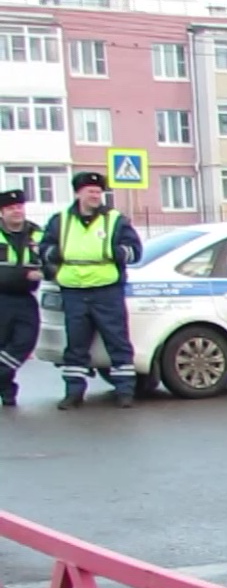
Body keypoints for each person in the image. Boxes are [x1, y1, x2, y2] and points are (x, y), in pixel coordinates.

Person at [40, 171, 142, 409]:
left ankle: (125, 392)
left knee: (117, 341)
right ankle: (73, 393)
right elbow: (44, 249)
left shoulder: (115, 219)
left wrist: (110, 253)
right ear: (78, 193)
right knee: (75, 346)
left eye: (99, 192)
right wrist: (57, 256)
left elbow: (135, 251)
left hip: (106, 289)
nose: (96, 195)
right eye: (91, 192)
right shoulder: (61, 219)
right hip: (73, 290)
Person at [0, 188, 42, 408]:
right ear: (1, 212)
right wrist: (24, 274)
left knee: (25, 342)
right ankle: (7, 392)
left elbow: (51, 259)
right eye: (10, 208)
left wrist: (47, 271)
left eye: (19, 207)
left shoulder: (36, 233)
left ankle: (2, 378)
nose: (16, 211)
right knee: (2, 344)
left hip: (25, 297)